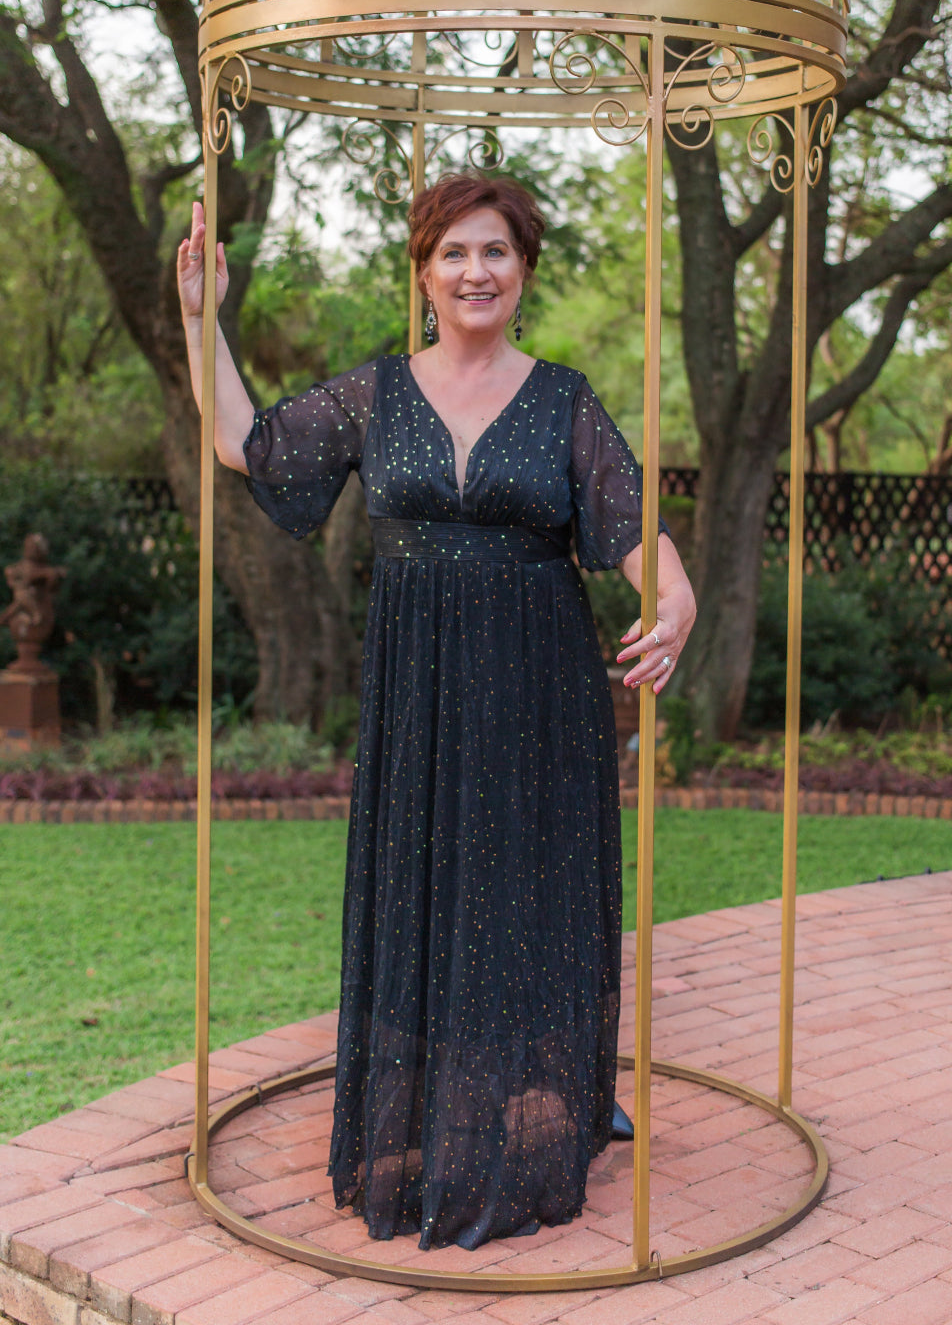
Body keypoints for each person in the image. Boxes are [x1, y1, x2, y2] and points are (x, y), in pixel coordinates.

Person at [178, 174, 696, 1251]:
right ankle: (424, 1108)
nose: (476, 271)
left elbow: (629, 521)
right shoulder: (375, 395)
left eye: (496, 253)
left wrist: (676, 594)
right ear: (423, 269)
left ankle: (554, 1092)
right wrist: (201, 318)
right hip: (417, 692)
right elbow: (245, 443)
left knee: (529, 884)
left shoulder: (563, 398)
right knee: (426, 881)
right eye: (456, 252)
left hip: (538, 686)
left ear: (524, 271)